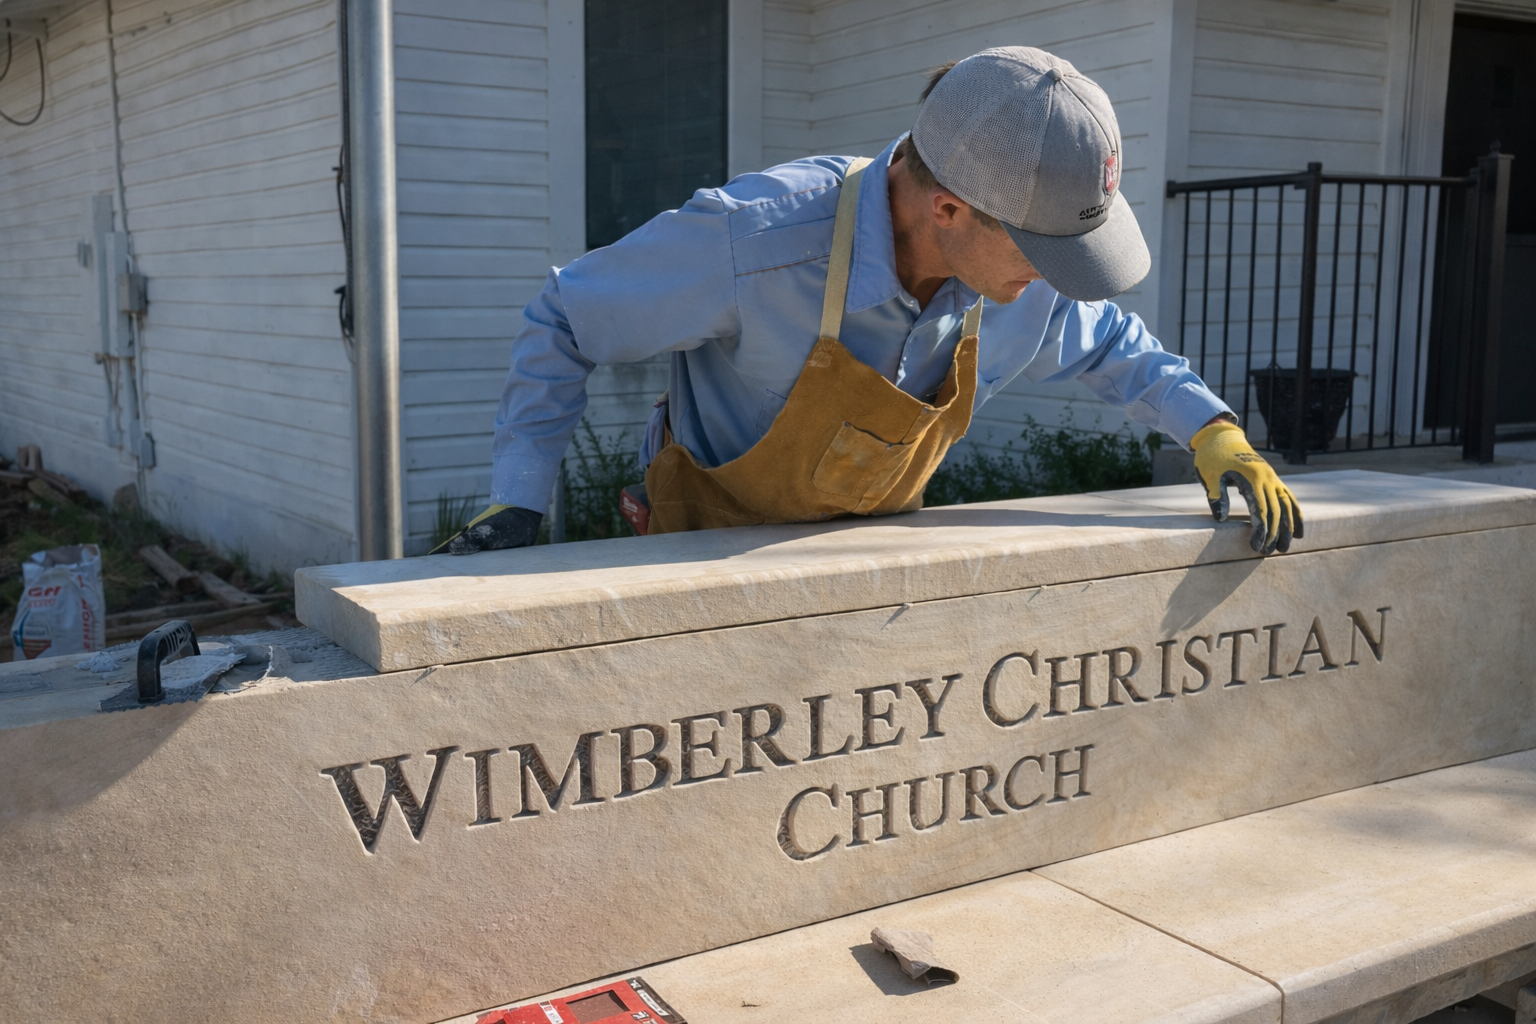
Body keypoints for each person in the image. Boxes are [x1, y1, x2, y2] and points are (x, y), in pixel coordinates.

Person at [441, 46, 1301, 556]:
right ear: (949, 208)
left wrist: (1212, 428)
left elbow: (1109, 340)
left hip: (867, 561)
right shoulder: (757, 242)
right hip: (694, 556)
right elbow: (565, 316)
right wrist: (520, 496)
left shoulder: (1018, 279)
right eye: (1041, 254)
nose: (1050, 280)